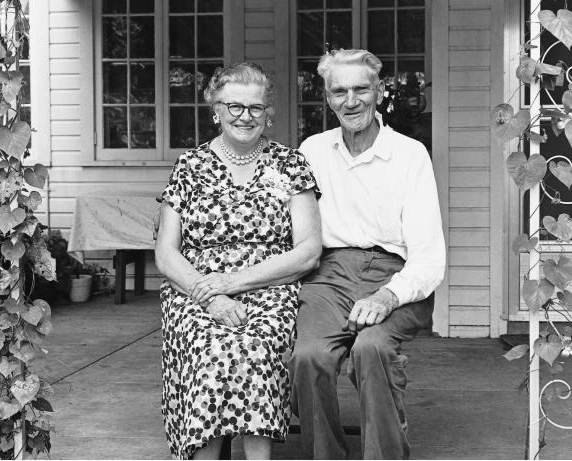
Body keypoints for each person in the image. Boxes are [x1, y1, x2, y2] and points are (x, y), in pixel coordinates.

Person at [155, 62, 322, 460]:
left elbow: (309, 250)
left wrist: (233, 283)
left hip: (270, 285)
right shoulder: (190, 165)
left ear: (269, 114)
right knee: (208, 345)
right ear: (215, 109)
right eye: (234, 106)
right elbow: (165, 252)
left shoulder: (291, 164)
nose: (245, 116)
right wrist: (210, 295)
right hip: (195, 288)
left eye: (256, 108)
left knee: (254, 345)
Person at [288, 49, 446, 460]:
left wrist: (387, 296)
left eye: (361, 89)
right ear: (326, 97)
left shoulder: (409, 154)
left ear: (379, 91)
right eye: (339, 91)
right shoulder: (313, 150)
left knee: (371, 347)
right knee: (309, 356)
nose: (351, 100)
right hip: (329, 274)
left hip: (395, 276)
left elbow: (428, 258)